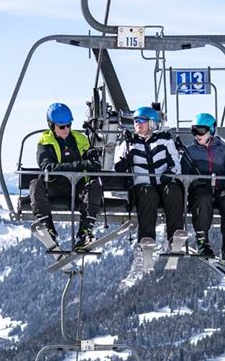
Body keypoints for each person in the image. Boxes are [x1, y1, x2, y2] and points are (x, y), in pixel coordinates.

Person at [31, 103, 102, 251]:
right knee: (35, 185)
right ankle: (48, 228)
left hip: (78, 188)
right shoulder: (45, 142)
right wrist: (79, 165)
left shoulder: (81, 139)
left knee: (95, 185)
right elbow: (48, 167)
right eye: (61, 127)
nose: (66, 130)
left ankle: (85, 232)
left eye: (68, 125)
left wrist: (93, 158)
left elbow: (93, 165)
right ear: (51, 125)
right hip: (56, 186)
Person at [114, 106, 184, 246]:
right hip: (142, 187)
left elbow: (176, 163)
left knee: (173, 190)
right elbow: (117, 168)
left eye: (142, 120)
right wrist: (125, 162)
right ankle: (147, 240)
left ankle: (175, 236)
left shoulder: (164, 141)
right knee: (148, 194)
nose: (137, 124)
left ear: (152, 122)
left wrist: (170, 173)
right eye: (135, 121)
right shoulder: (128, 143)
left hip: (163, 183)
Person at [180, 112, 225, 265]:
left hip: (220, 189)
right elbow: (183, 174)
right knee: (203, 198)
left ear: (211, 130)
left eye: (200, 131)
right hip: (200, 190)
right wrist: (190, 181)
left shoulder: (223, 151)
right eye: (194, 131)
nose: (197, 135)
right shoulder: (189, 152)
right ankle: (202, 242)